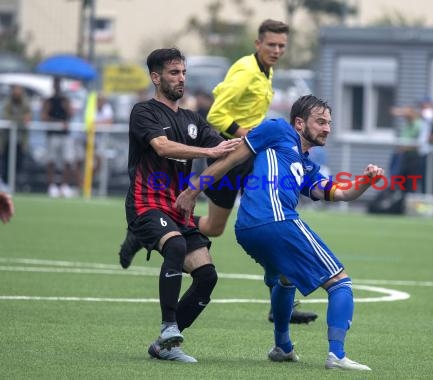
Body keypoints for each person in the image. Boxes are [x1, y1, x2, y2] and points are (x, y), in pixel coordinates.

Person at [117, 19, 319, 324]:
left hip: (241, 156)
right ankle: (282, 302)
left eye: (282, 46)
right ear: (257, 44)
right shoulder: (245, 71)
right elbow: (217, 115)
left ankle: (148, 230)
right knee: (274, 219)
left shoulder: (266, 72)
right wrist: (250, 137)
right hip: (231, 157)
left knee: (213, 227)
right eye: (272, 44)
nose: (277, 50)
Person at [175, 95, 377, 371]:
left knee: (285, 279)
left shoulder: (306, 165)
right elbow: (231, 160)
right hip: (275, 221)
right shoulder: (277, 130)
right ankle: (337, 355)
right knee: (340, 282)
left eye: (329, 123)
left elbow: (340, 193)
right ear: (298, 123)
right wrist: (193, 189)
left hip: (248, 229)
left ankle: (282, 347)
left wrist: (365, 181)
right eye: (320, 122)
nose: (327, 128)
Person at [124, 48, 241, 363]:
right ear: (156, 77)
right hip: (146, 202)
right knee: (174, 246)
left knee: (207, 278)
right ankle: (167, 327)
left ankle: (166, 346)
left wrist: (253, 140)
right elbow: (161, 147)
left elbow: (221, 146)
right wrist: (208, 153)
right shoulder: (143, 111)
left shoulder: (192, 119)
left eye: (184, 73)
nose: (181, 79)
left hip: (178, 209)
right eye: (174, 73)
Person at [41, 77, 75, 198]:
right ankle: (52, 187)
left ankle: (64, 186)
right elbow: (44, 116)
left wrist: (66, 106)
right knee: (51, 160)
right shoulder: (48, 100)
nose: (57, 86)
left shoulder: (65, 100)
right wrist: (57, 121)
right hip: (52, 134)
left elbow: (71, 114)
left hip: (65, 135)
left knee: (68, 160)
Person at [2, 85, 32, 184]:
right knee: (6, 162)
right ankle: (4, 183)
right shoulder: (8, 102)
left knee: (18, 162)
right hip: (7, 139)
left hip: (19, 139)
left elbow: (28, 118)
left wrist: (25, 142)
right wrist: (21, 119)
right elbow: (6, 117)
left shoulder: (25, 103)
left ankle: (13, 183)